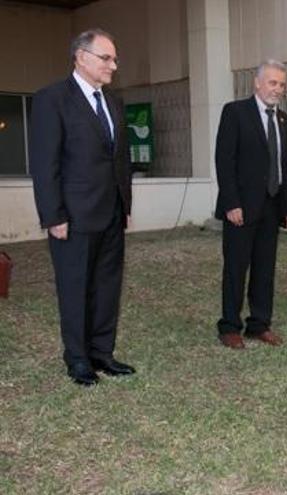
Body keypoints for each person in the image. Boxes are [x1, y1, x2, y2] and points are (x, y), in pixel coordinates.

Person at [29, 29, 135, 386]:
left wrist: (126, 204)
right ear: (81, 57)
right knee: (75, 288)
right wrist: (53, 215)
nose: (113, 66)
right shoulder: (52, 99)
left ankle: (102, 353)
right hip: (72, 218)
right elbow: (45, 165)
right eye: (107, 58)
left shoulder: (115, 102)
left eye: (114, 58)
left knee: (107, 287)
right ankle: (77, 359)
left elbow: (120, 160)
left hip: (111, 214)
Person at [214, 59, 287, 349]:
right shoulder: (235, 112)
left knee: (265, 269)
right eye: (273, 82)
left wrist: (286, 207)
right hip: (241, 208)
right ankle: (229, 326)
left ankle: (259, 324)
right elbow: (224, 161)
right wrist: (231, 203)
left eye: (282, 84)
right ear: (257, 83)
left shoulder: (284, 120)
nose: (278, 89)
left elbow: (285, 165)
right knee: (236, 268)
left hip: (271, 208)